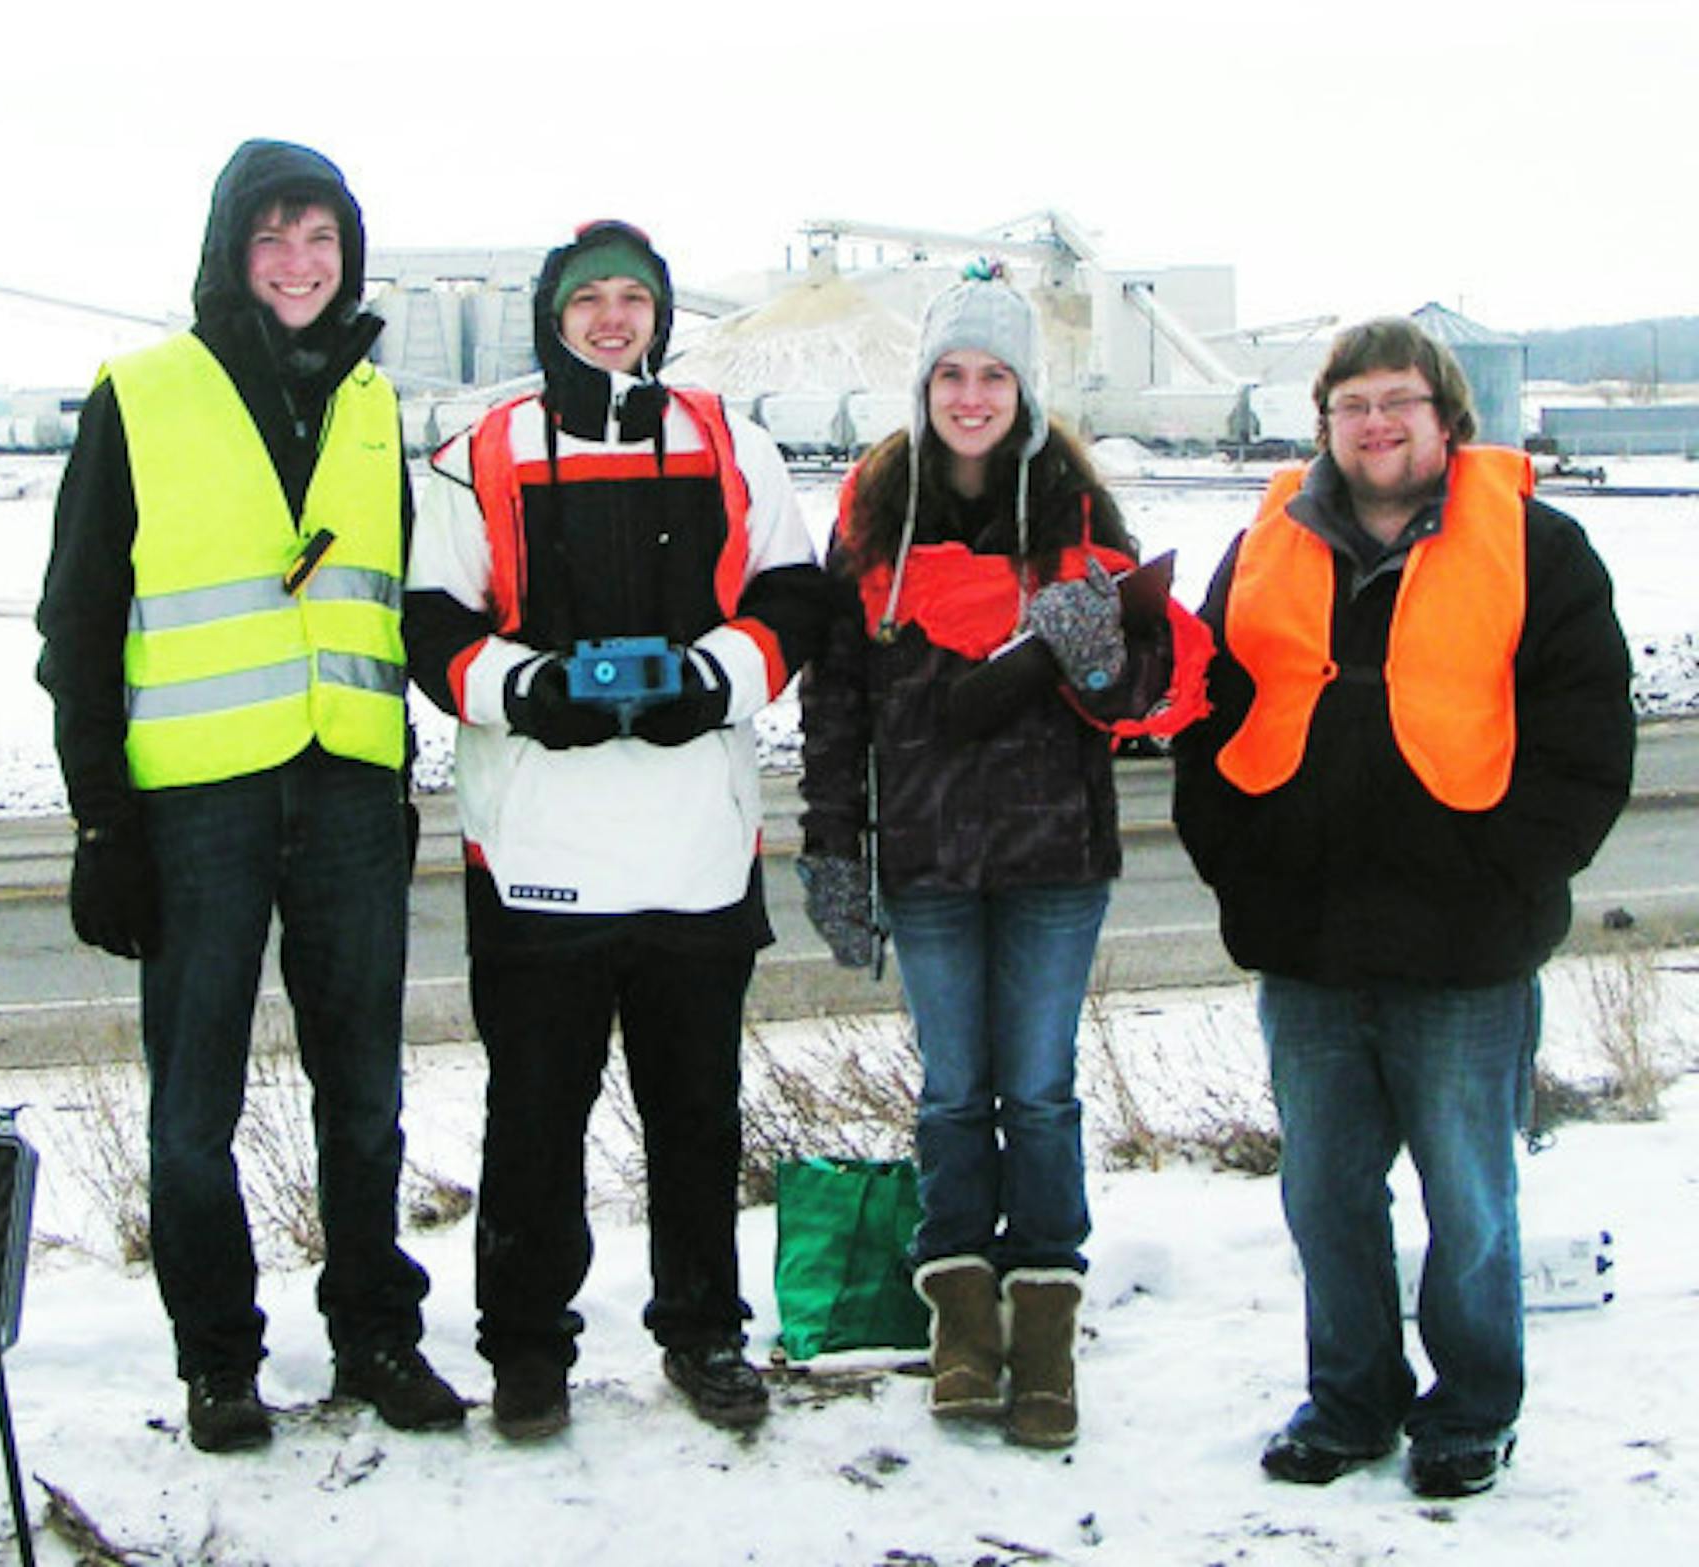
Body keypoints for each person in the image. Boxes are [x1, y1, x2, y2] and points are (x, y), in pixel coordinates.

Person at [35, 139, 464, 1454]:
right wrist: (103, 817)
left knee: (367, 1091)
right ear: (233, 250)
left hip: (342, 784)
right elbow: (79, 616)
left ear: (350, 253)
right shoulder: (142, 393)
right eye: (274, 236)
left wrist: (390, 773)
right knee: (193, 1108)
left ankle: (376, 1332)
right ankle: (219, 1358)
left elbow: (387, 599)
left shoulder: (376, 400)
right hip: (197, 802)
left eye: (321, 236)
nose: (300, 261)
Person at [1171, 317, 1635, 1498]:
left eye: (1400, 401)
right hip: (1309, 944)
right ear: (1323, 423)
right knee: (1325, 1197)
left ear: (1445, 417)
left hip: (1468, 948)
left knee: (1470, 1199)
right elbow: (1206, 717)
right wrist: (1242, 866)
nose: (1376, 425)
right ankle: (1351, 1400)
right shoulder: (1264, 546)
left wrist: (1507, 876)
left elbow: (1586, 743)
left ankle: (1472, 1408)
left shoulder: (1541, 547)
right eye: (1353, 405)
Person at [403, 220, 830, 1439]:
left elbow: (793, 598)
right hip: (536, 855)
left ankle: (703, 1333)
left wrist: (710, 679)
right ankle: (528, 1350)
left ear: (659, 314)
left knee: (697, 1115)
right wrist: (533, 692)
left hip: (697, 850)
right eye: (586, 298)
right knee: (534, 1117)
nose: (609, 318)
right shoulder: (475, 454)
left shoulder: (730, 441)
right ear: (553, 317)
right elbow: (434, 627)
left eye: (630, 298)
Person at [796, 265, 1210, 1450]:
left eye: (993, 375)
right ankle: (961, 1324)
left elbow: (1143, 691)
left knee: (1037, 1095)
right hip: (926, 862)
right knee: (947, 1095)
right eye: (951, 373)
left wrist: (1089, 658)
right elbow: (837, 704)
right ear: (923, 382)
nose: (970, 396)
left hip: (1053, 862)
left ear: (1024, 391)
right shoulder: (874, 518)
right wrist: (835, 847)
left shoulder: (1078, 518)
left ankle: (1044, 1329)